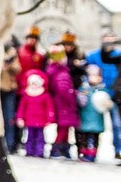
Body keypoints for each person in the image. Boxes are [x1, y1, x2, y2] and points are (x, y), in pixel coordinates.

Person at [87, 30, 121, 160]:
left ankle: (118, 149)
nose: (109, 42)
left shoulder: (119, 54)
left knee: (117, 124)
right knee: (93, 123)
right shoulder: (95, 55)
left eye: (112, 39)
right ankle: (90, 149)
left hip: (116, 94)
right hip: (99, 93)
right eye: (107, 39)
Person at [46, 44, 80, 159]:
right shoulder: (62, 74)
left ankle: (64, 149)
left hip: (61, 104)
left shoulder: (54, 71)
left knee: (64, 128)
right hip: (64, 106)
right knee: (63, 129)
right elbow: (64, 90)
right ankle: (57, 149)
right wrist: (73, 96)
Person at [14, 26, 45, 151]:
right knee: (18, 117)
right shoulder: (21, 52)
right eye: (30, 38)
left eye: (34, 39)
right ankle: (17, 140)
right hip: (21, 90)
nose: (32, 41)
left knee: (32, 119)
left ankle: (27, 142)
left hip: (34, 91)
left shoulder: (39, 55)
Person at [76, 65, 112, 162]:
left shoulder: (102, 90)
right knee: (84, 138)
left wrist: (106, 103)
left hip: (96, 121)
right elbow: (79, 102)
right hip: (85, 119)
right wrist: (80, 97)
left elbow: (107, 104)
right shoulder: (83, 89)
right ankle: (83, 152)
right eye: (91, 75)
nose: (93, 78)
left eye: (96, 76)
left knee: (93, 139)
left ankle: (92, 154)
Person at [16, 69, 55, 157]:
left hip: (40, 120)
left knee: (40, 137)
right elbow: (21, 108)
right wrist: (20, 118)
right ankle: (29, 151)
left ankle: (39, 151)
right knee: (29, 136)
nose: (34, 86)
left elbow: (49, 108)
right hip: (29, 120)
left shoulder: (45, 96)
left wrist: (50, 117)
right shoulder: (26, 95)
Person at [0, 36, 22, 154]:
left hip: (9, 89)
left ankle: (9, 144)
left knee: (9, 118)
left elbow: (18, 69)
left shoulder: (13, 53)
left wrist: (10, 64)